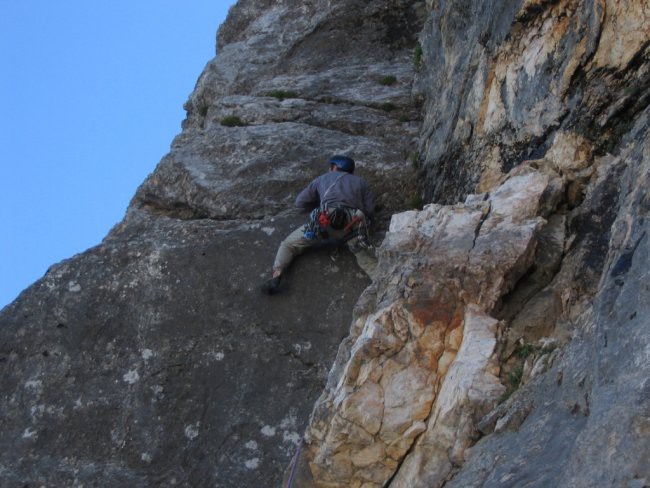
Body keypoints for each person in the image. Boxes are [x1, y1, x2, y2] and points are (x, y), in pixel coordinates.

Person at [261, 155, 377, 294]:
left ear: (334, 167)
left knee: (289, 245)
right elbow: (369, 211)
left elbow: (299, 202)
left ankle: (277, 274)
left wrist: (320, 205)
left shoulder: (322, 178)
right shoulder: (361, 182)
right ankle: (383, 281)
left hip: (324, 221)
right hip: (352, 225)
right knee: (364, 257)